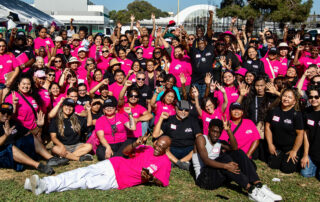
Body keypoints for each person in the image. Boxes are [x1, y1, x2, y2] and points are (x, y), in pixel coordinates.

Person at [24, 135, 172, 195]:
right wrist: (135, 143)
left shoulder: (165, 162)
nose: (159, 148)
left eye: (162, 147)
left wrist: (151, 179)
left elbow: (163, 183)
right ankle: (42, 183)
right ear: (155, 142)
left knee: (84, 182)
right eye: (158, 144)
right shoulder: (147, 148)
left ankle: (44, 187)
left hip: (119, 180)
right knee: (80, 172)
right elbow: (126, 152)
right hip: (114, 164)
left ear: (167, 149)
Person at [192, 118, 282, 202]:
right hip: (204, 180)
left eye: (218, 133)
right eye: (213, 131)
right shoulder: (201, 139)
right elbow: (206, 161)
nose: (215, 135)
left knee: (237, 152)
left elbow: (235, 148)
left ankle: (258, 184)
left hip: (217, 175)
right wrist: (226, 166)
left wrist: (228, 130)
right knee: (224, 158)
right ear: (209, 129)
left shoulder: (219, 142)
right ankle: (251, 190)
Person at [0, 103, 68, 174]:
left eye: (8, 113)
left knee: (30, 137)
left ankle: (51, 159)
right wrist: (5, 135)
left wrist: (39, 126)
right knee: (10, 148)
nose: (6, 115)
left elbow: (29, 133)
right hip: (3, 155)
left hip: (16, 152)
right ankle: (38, 166)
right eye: (3, 112)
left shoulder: (13, 123)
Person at [153, 100, 202, 170]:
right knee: (156, 142)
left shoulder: (193, 120)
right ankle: (180, 164)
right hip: (172, 149)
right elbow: (155, 135)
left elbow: (199, 136)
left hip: (188, 149)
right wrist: (161, 119)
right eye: (181, 109)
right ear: (176, 108)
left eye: (186, 110)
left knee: (199, 144)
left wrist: (199, 141)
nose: (183, 112)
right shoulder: (169, 119)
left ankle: (177, 162)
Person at [265, 88, 304, 173]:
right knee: (273, 166)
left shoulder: (296, 114)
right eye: (284, 96)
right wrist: (270, 144)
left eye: (289, 97)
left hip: (290, 147)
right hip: (277, 146)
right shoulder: (273, 110)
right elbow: (267, 127)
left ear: (294, 101)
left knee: (287, 170)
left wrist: (294, 150)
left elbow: (300, 134)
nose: (286, 99)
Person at [94, 96, 136, 160]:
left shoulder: (121, 117)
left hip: (122, 143)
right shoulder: (100, 120)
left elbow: (132, 127)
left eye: (111, 107)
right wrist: (108, 147)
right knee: (100, 152)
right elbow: (101, 137)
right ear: (103, 109)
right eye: (106, 107)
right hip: (108, 144)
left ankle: (114, 159)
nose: (109, 109)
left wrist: (130, 113)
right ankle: (119, 158)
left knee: (130, 142)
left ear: (115, 108)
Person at [300, 85, 320, 180]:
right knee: (305, 173)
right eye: (311, 97)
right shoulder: (307, 112)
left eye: (316, 97)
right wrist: (305, 155)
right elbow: (306, 134)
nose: (313, 99)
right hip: (312, 152)